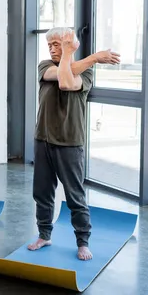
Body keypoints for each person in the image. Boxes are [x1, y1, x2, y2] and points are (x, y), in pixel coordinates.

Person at [28, 27, 121, 260]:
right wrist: (94, 57)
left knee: (74, 196)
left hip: (69, 142)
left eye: (57, 44)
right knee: (42, 192)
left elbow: (67, 83)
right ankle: (44, 234)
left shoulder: (87, 74)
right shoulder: (43, 65)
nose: (51, 48)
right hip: (43, 140)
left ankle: (82, 242)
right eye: (49, 44)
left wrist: (79, 57)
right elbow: (60, 76)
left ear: (71, 45)